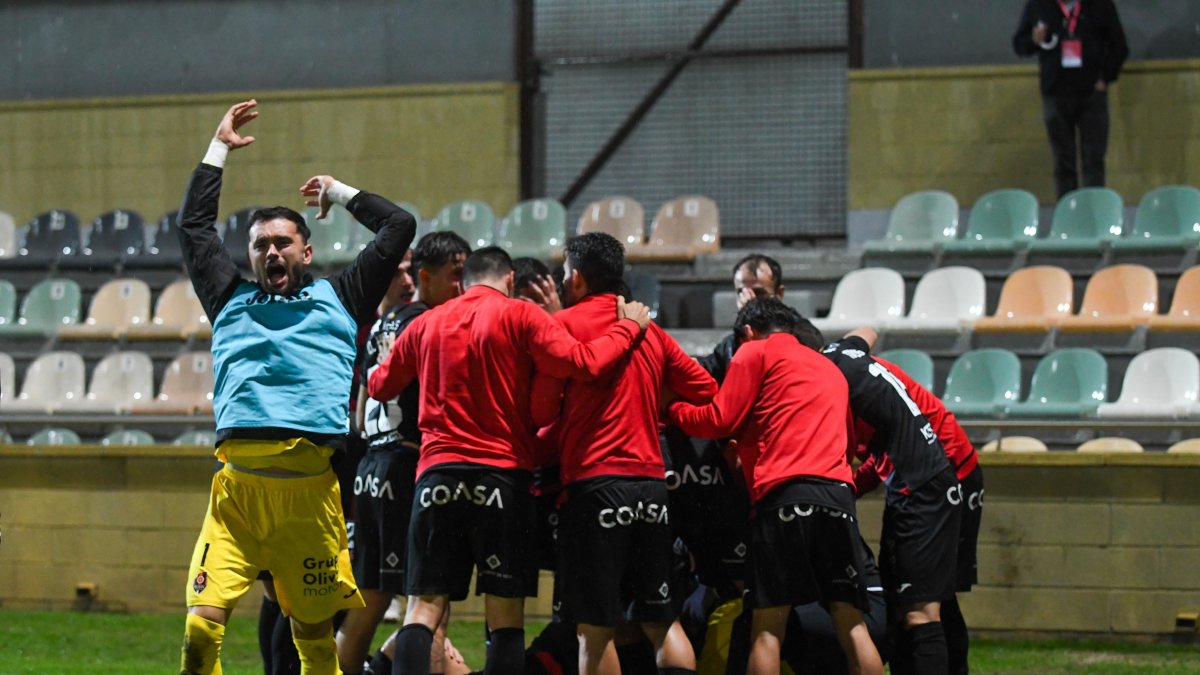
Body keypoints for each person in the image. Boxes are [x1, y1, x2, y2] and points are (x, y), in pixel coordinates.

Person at [177, 100, 416, 675]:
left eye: (283, 242)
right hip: (237, 498)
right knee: (199, 630)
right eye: (261, 244)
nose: (272, 252)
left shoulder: (342, 296)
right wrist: (217, 150)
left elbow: (399, 225)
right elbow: (193, 227)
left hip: (311, 498)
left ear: (305, 252)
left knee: (313, 642)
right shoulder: (228, 298)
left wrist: (336, 190)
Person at [367, 246, 652, 675]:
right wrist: (628, 328)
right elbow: (584, 362)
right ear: (510, 279)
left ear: (464, 281)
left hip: (436, 476)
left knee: (423, 610)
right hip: (503, 479)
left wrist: (384, 360)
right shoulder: (522, 315)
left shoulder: (426, 321)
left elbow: (380, 387)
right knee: (505, 619)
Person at [531, 232, 718, 675]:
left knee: (593, 629)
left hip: (594, 487)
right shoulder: (652, 333)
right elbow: (707, 391)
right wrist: (654, 404)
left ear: (575, 278)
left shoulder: (564, 325)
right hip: (652, 488)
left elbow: (540, 411)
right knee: (661, 621)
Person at [669, 299, 883, 675]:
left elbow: (721, 419)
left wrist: (674, 412)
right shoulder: (829, 369)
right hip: (837, 497)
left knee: (767, 629)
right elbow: (849, 446)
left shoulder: (754, 351)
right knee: (851, 623)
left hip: (783, 496)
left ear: (748, 331)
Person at [338, 232, 471, 675]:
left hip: (371, 465)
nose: (461, 287)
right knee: (430, 603)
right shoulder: (428, 322)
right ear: (427, 277)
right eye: (456, 275)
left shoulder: (380, 324)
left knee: (370, 603)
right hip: (405, 463)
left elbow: (358, 414)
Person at [821, 328, 961, 675]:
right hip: (918, 483)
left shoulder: (824, 375)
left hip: (922, 488)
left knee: (920, 613)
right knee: (907, 607)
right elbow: (868, 330)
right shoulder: (843, 354)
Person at [850, 343, 983, 675]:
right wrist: (851, 488)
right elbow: (877, 460)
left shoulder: (840, 382)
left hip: (947, 477)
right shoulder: (851, 367)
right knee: (929, 598)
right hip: (931, 479)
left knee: (924, 604)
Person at [1013, 0, 1128, 198]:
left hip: (1092, 94)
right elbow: (1019, 45)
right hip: (1055, 94)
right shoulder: (1039, 5)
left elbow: (1119, 47)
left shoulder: (1100, 5)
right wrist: (1034, 40)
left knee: (1093, 161)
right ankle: (1068, 217)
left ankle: (1094, 217)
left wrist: (1105, 78)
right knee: (1063, 161)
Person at [698, 254, 785, 384]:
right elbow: (707, 367)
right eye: (741, 292)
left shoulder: (800, 332)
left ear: (779, 293)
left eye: (759, 293)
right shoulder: (732, 342)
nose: (749, 300)